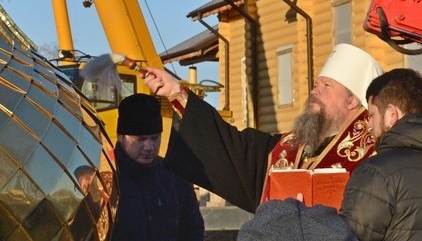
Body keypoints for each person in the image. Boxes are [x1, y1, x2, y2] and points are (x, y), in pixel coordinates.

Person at [142, 43, 384, 213]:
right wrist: (177, 94)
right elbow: (233, 149)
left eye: (327, 86)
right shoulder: (288, 147)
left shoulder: (375, 158)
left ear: (352, 101)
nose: (314, 91)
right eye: (316, 84)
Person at [339, 68, 422, 241]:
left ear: (391, 114)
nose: (369, 125)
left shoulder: (377, 172)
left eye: (371, 115)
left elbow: (350, 236)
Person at [110, 93, 205, 241]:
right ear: (120, 137)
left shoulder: (175, 177)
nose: (149, 147)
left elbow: (193, 229)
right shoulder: (106, 179)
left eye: (154, 138)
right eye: (140, 139)